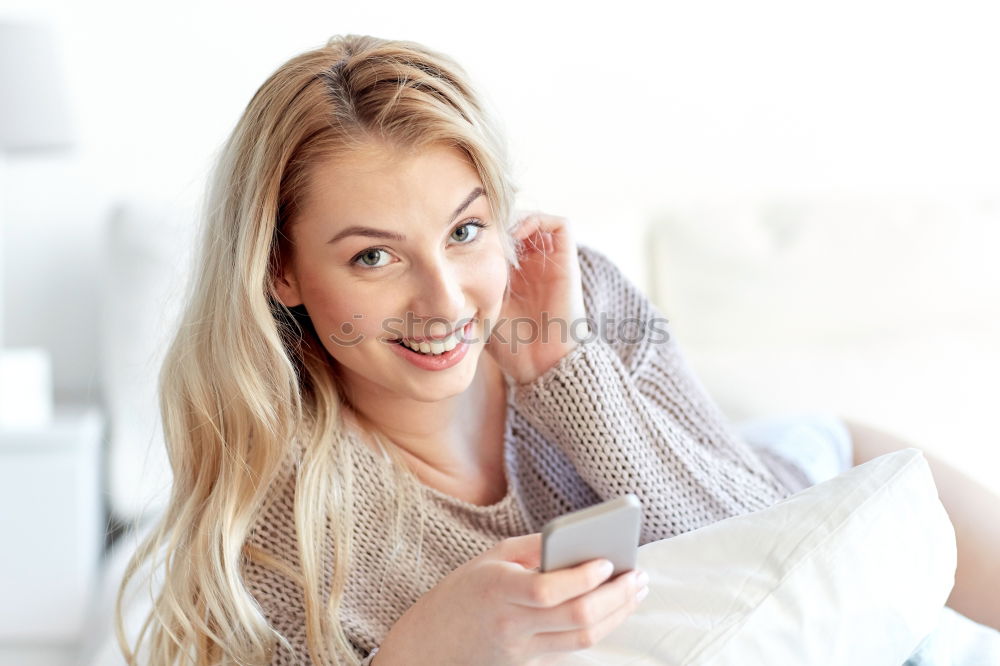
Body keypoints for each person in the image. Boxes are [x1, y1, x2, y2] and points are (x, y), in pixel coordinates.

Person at [114, 33, 999, 665]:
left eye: (464, 230)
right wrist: (417, 655)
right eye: (374, 256)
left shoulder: (571, 301)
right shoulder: (283, 519)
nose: (446, 300)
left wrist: (565, 375)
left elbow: (763, 549)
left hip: (812, 466)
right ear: (282, 273)